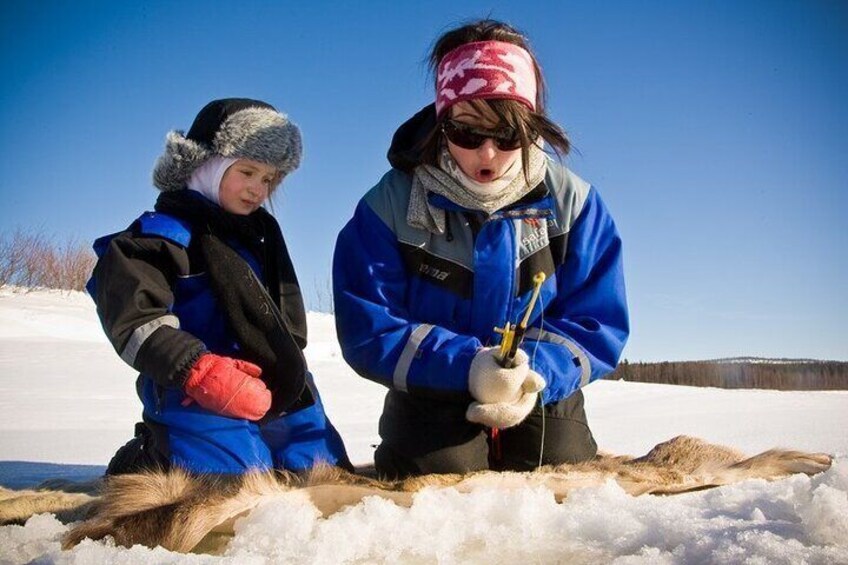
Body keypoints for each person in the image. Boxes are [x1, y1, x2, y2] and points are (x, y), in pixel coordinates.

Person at [333, 20, 629, 478]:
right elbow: (369, 326)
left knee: (557, 466)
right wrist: (467, 368)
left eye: (507, 135)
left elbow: (598, 322)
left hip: (540, 387)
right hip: (431, 386)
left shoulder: (575, 205)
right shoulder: (387, 206)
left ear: (530, 127)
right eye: (467, 133)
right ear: (441, 122)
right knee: (439, 474)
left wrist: (531, 373)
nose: (486, 155)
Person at [89, 98, 351, 475]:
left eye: (268, 179)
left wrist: (288, 371)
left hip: (265, 379)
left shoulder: (262, 236)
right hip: (193, 385)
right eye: (247, 171)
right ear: (207, 166)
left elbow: (286, 317)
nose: (257, 189)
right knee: (234, 483)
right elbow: (135, 319)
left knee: (322, 473)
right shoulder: (160, 236)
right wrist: (197, 369)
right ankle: (148, 455)